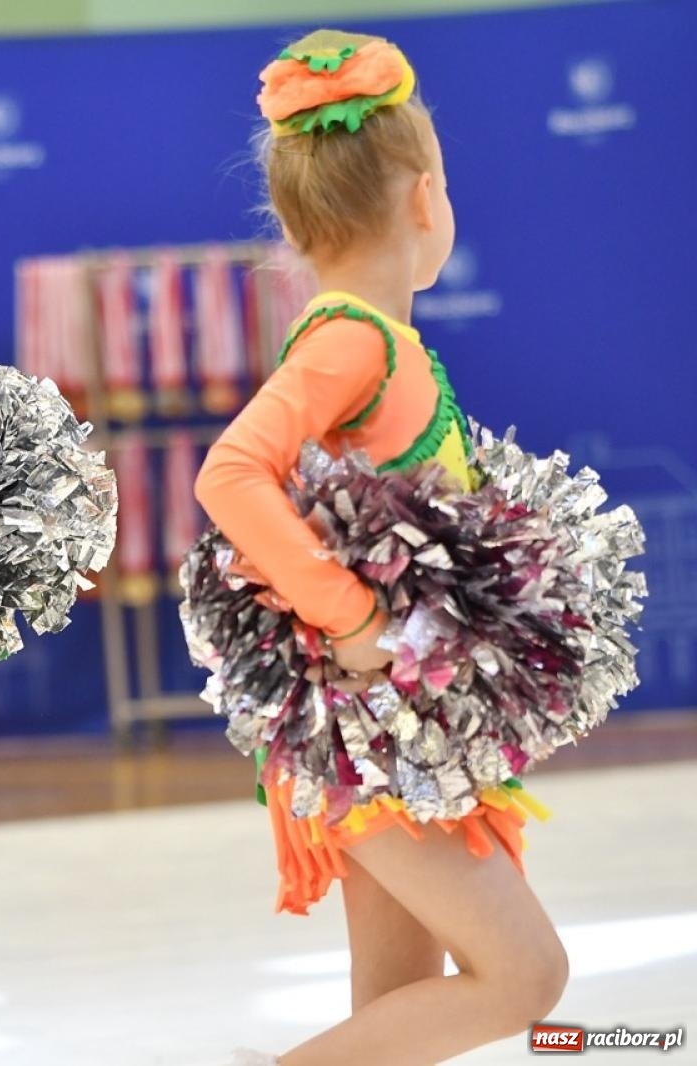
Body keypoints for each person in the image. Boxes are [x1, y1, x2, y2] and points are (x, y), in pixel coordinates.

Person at [195, 31, 568, 1066]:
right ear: (422, 197)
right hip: (368, 727)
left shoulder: (380, 339)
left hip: (393, 725)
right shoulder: (352, 336)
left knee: (399, 1001)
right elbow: (230, 473)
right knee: (527, 975)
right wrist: (353, 617)